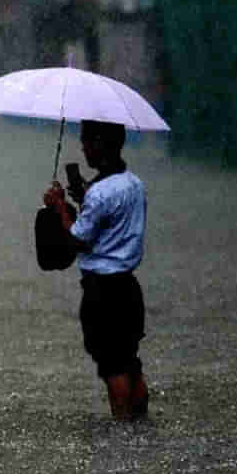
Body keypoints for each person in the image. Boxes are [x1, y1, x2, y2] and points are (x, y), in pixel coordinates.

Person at [42, 119, 149, 420]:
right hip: (129, 288)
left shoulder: (100, 194)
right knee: (129, 359)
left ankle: (123, 432)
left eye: (88, 141)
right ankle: (141, 428)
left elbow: (78, 240)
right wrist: (83, 195)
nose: (83, 147)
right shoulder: (134, 184)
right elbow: (109, 213)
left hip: (102, 291)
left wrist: (60, 207)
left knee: (111, 365)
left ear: (101, 144)